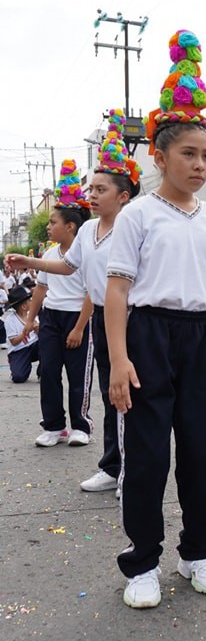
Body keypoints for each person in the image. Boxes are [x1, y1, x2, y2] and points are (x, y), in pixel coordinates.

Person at [104, 29, 206, 609]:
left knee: (205, 452)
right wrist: (117, 359)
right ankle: (142, 562)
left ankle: (197, 551)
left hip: (199, 337)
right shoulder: (138, 215)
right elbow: (117, 291)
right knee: (149, 454)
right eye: (189, 153)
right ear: (159, 156)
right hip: (148, 335)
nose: (200, 164)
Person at [8, 111, 143, 493]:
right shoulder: (87, 229)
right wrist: (28, 261)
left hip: (133, 319)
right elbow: (67, 266)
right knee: (108, 392)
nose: (91, 196)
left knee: (128, 394)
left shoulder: (134, 226)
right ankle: (113, 466)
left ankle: (133, 471)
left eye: (100, 190)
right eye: (90, 190)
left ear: (123, 196)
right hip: (101, 316)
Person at [21, 160, 93, 447]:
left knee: (78, 376)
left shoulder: (86, 252)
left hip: (78, 319)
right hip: (51, 318)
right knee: (48, 371)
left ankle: (81, 426)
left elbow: (92, 293)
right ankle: (54, 426)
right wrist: (30, 321)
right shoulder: (50, 253)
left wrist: (78, 328)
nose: (49, 227)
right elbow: (41, 288)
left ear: (70, 226)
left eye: (53, 222)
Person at [3, 285, 39, 383]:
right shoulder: (10, 320)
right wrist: (26, 332)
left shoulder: (33, 315)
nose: (32, 302)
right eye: (29, 301)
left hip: (34, 345)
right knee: (19, 377)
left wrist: (37, 329)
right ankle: (18, 365)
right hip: (19, 350)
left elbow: (41, 335)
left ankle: (42, 372)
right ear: (23, 306)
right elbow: (14, 342)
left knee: (47, 344)